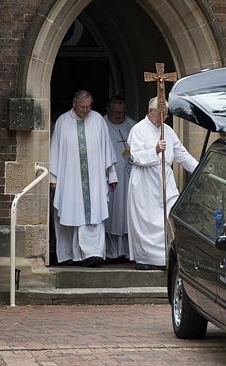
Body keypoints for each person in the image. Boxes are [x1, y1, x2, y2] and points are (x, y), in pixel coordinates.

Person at [127, 97, 198, 270]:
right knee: (146, 220)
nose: (163, 118)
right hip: (145, 181)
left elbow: (182, 154)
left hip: (165, 179)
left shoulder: (168, 131)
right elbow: (135, 156)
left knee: (169, 215)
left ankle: (165, 256)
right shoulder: (138, 130)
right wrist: (156, 150)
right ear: (151, 112)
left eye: (166, 114)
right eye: (160, 114)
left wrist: (199, 169)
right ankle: (145, 259)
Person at [50, 90, 118, 267]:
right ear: (74, 103)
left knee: (94, 214)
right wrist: (53, 178)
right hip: (70, 179)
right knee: (71, 213)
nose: (86, 110)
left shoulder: (98, 120)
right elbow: (55, 151)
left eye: (88, 107)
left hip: (94, 179)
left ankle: (94, 254)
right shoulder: (62, 122)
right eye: (82, 107)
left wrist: (112, 175)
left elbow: (107, 150)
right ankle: (72, 255)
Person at [103, 95, 137, 263]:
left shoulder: (132, 125)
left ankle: (127, 251)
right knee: (110, 214)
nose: (118, 116)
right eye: (115, 112)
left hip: (128, 175)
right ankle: (111, 252)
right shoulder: (101, 125)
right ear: (108, 110)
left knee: (126, 213)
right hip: (107, 176)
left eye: (121, 113)